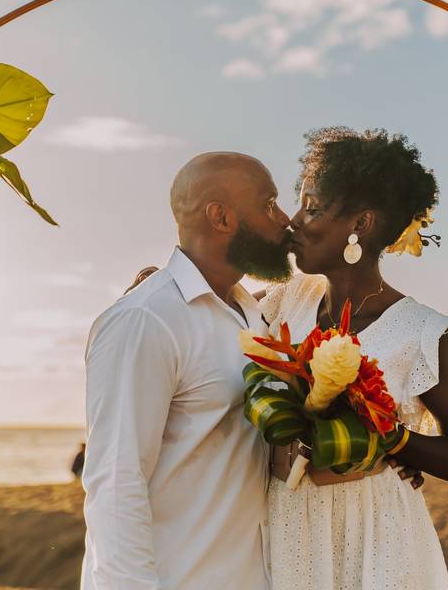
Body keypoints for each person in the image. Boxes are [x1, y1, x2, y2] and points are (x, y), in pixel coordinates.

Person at [261, 128, 448, 590]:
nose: (296, 221)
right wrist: (153, 278)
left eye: (314, 207)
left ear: (360, 224)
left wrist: (387, 438)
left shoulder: (426, 333)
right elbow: (214, 310)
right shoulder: (285, 302)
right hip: (284, 526)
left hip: (377, 538)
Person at [81, 152, 293, 590]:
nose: (284, 218)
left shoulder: (253, 315)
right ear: (221, 217)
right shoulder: (146, 319)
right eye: (269, 203)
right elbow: (117, 482)